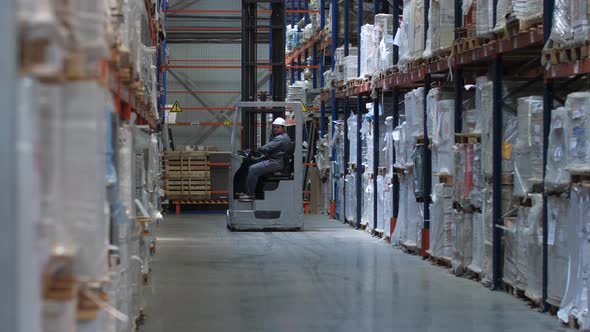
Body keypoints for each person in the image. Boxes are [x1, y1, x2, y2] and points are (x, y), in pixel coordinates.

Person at [240, 117, 291, 200]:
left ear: (283, 128)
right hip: (275, 160)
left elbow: (266, 148)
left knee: (252, 169)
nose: (275, 129)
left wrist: (254, 151)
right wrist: (258, 156)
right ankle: (257, 191)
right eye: (274, 127)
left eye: (278, 127)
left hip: (275, 162)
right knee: (254, 165)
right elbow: (271, 150)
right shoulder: (282, 137)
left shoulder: (281, 138)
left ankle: (250, 194)